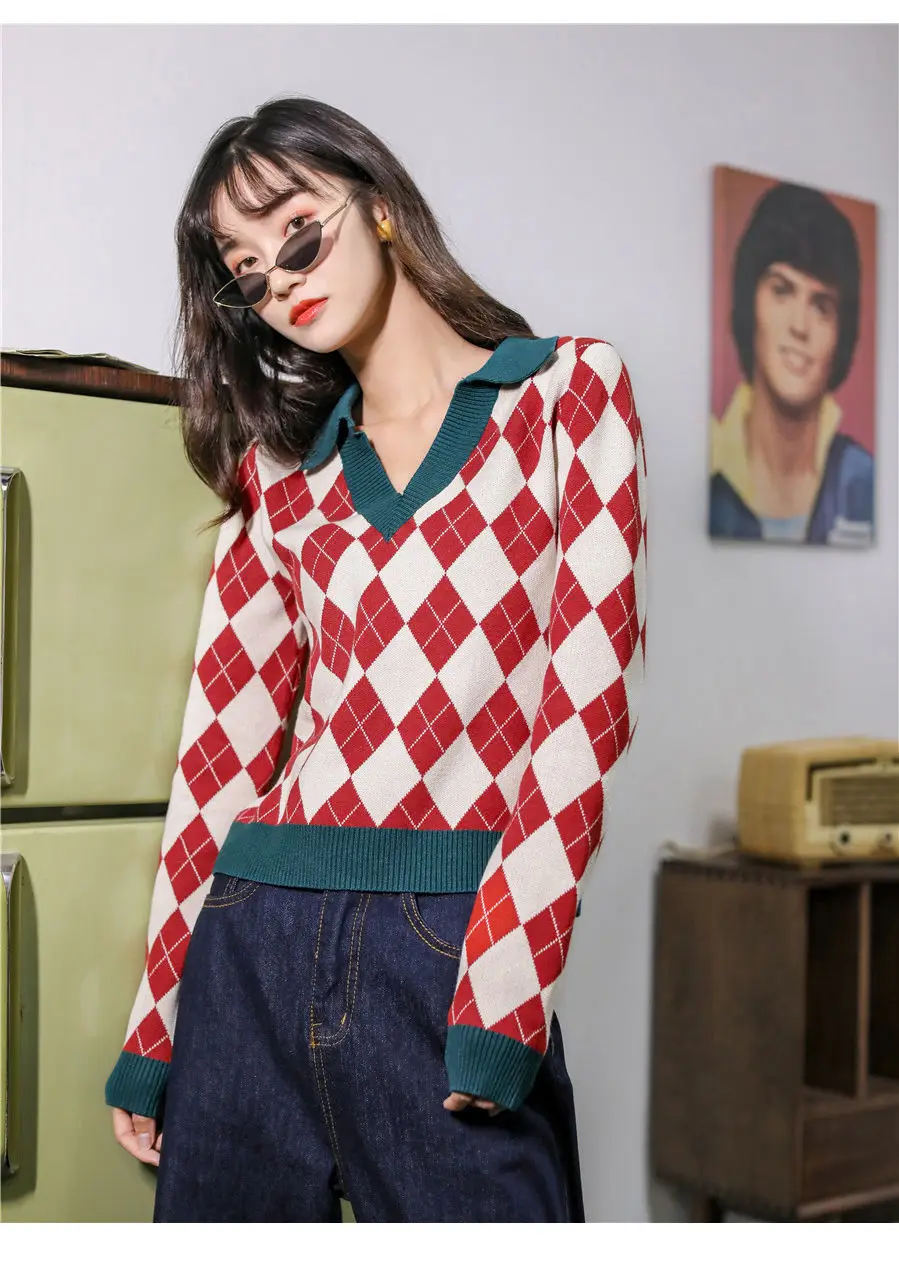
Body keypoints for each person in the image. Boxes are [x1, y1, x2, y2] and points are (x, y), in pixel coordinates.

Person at [104, 95, 648, 1223]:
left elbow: (583, 719)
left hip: (447, 948)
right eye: (246, 272)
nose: (280, 279)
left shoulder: (564, 399)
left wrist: (504, 994)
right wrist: (156, 1027)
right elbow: (219, 754)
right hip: (251, 944)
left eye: (296, 233)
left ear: (380, 203)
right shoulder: (281, 473)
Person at [709, 181, 874, 546]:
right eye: (782, 291)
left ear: (842, 335)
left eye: (822, 306)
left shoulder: (866, 482)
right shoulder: (705, 467)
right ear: (749, 303)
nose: (800, 326)